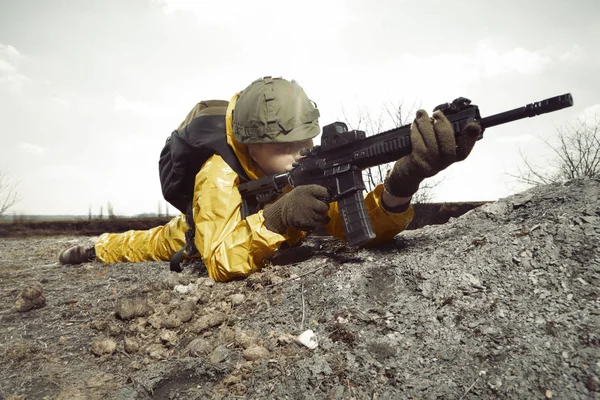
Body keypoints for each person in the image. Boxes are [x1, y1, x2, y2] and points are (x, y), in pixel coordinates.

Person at [58, 76, 481, 282]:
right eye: (288, 147)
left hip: (257, 215)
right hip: (201, 230)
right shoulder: (218, 176)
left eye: (307, 142)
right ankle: (94, 246)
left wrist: (401, 184)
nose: (303, 153)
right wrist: (276, 219)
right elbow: (218, 259)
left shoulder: (296, 163)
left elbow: (346, 224)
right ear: (251, 145)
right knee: (143, 242)